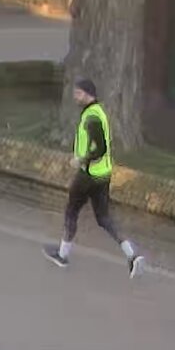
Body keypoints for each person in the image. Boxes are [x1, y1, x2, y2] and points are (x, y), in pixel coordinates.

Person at [43, 78, 146, 278]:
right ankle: (132, 255)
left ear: (88, 94)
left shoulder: (92, 118)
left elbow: (100, 149)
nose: (75, 96)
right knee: (104, 218)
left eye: (78, 93)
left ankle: (62, 255)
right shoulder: (98, 112)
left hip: (88, 175)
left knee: (71, 211)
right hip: (103, 175)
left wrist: (81, 160)